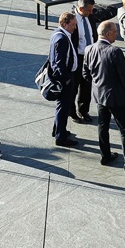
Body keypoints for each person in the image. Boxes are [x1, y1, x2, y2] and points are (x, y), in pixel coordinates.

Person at [85, 20, 125, 172]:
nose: (116, 34)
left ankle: (105, 155)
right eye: (115, 32)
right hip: (116, 97)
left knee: (103, 126)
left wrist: (98, 84)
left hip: (100, 96)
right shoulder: (114, 51)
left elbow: (85, 73)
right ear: (107, 34)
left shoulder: (89, 49)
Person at [49, 11, 80, 147]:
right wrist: (66, 79)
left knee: (62, 106)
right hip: (65, 79)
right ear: (64, 24)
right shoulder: (61, 39)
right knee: (63, 107)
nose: (75, 27)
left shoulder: (60, 34)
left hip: (66, 77)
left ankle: (58, 130)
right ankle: (60, 137)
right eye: (73, 25)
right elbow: (59, 63)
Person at [69, 0, 96, 124]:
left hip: (89, 57)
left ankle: (83, 110)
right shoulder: (71, 19)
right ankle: (72, 112)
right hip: (77, 58)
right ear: (80, 9)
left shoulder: (89, 17)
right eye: (89, 10)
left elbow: (93, 34)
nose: (91, 13)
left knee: (87, 85)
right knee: (73, 87)